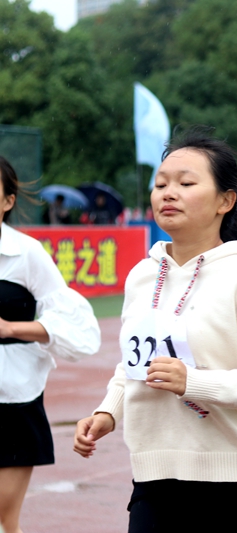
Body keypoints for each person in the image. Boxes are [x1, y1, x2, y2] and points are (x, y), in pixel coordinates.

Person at [73, 131, 237, 533]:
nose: (168, 193)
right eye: (161, 184)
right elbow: (136, 363)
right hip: (154, 483)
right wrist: (109, 410)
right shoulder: (142, 276)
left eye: (186, 183)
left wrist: (192, 382)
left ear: (225, 201)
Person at [0, 156, 100, 533]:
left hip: (13, 400)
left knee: (4, 521)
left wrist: (12, 328)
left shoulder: (26, 254)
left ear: (8, 200)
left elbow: (79, 330)